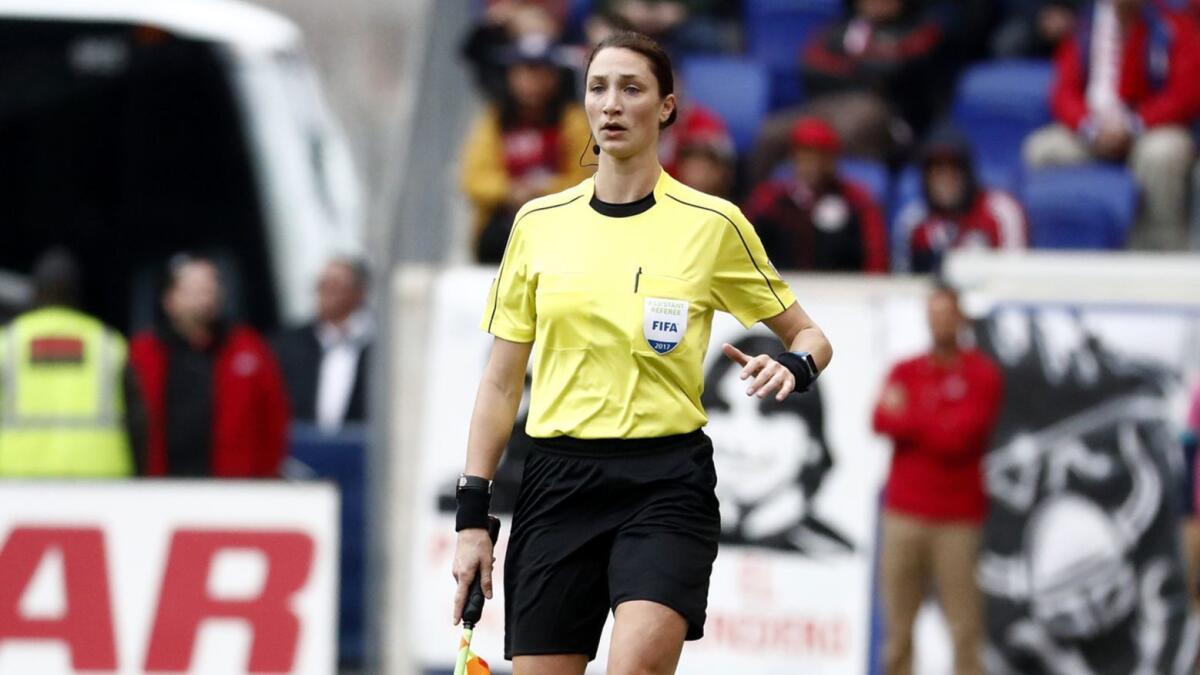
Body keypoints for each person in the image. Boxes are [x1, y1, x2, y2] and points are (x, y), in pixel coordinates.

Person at [450, 31, 833, 675]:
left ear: (665, 107)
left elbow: (811, 336)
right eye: (599, 87)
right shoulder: (537, 224)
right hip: (557, 482)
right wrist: (471, 518)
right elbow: (499, 384)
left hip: (665, 481)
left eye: (632, 89)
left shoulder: (712, 224)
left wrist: (794, 365)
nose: (612, 104)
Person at [871, 285, 1004, 675]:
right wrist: (938, 416)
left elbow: (959, 437)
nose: (940, 321)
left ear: (960, 318)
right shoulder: (905, 368)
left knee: (964, 626)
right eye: (934, 313)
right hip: (903, 514)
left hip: (957, 520)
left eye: (947, 313)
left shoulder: (982, 374)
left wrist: (911, 415)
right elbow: (878, 419)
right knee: (897, 626)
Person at [1023, 0, 1200, 250]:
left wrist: (1134, 124)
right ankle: (1060, 243)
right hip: (1095, 131)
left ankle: (1161, 251)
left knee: (1163, 155)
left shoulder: (1171, 26)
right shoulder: (1085, 28)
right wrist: (1090, 126)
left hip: (1149, 129)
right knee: (1041, 148)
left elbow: (1186, 94)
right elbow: (1063, 92)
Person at [129, 254, 289, 477]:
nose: (206, 297)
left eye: (210, 287)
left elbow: (275, 420)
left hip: (232, 490)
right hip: (161, 488)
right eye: (194, 290)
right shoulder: (143, 353)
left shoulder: (249, 349)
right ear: (169, 300)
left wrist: (264, 479)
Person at [702, 333, 853, 554]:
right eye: (723, 409)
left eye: (769, 415)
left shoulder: (832, 557)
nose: (739, 440)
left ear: (812, 443)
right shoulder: (670, 533)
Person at [0, 248, 144, 477]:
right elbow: (137, 424)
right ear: (78, 292)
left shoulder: (7, 343)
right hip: (100, 480)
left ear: (36, 291)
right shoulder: (108, 343)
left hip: (16, 481)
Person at [460, 36, 595, 263]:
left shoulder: (573, 121)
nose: (532, 81)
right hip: (502, 229)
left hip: (561, 225)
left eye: (541, 71)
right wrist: (511, 192)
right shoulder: (494, 120)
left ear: (556, 77)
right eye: (524, 71)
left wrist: (544, 191)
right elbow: (474, 180)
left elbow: (588, 178)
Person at [743, 116, 889, 273]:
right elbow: (744, 247)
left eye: (821, 155)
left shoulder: (857, 200)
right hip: (780, 289)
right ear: (794, 157)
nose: (813, 164)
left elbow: (876, 259)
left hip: (845, 291)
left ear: (833, 159)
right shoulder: (769, 199)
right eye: (805, 155)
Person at [895, 132, 1028, 273]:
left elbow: (1015, 275)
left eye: (953, 170)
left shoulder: (1001, 210)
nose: (945, 180)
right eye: (937, 171)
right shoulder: (912, 222)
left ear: (968, 174)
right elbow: (904, 282)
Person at [273, 257, 372, 432]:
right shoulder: (290, 344)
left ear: (359, 292)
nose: (326, 294)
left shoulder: (376, 346)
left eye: (335, 286)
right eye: (322, 285)